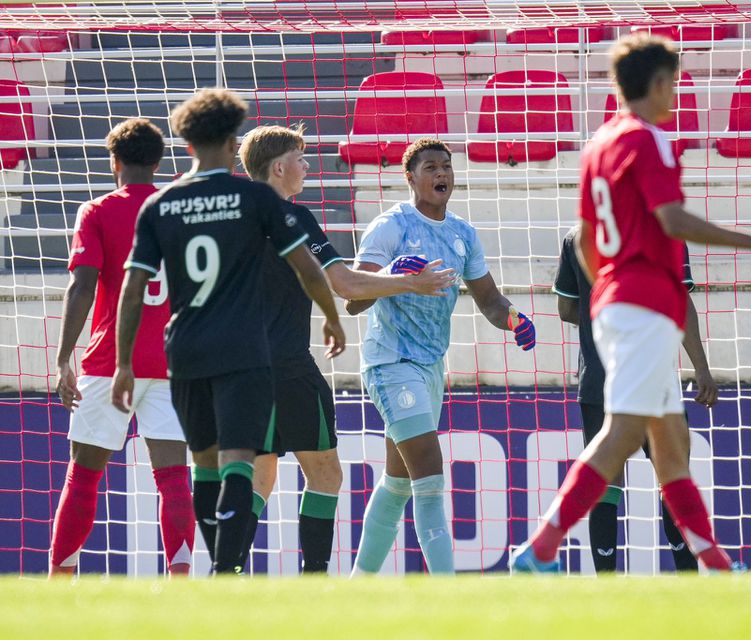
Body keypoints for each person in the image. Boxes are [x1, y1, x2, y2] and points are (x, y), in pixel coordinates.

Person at [512, 33, 751, 573]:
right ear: (661, 83)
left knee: (671, 445)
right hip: (645, 305)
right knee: (621, 434)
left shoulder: (599, 146)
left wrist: (612, 289)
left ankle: (711, 559)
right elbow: (673, 220)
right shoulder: (651, 141)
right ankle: (542, 548)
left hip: (623, 304)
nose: (678, 95)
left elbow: (585, 241)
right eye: (676, 83)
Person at [111, 89, 347, 576]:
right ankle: (225, 567)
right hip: (243, 350)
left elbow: (132, 290)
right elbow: (307, 267)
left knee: (205, 463)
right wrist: (330, 313)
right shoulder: (254, 198)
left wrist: (124, 363)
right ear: (230, 138)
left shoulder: (161, 204)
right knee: (242, 460)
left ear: (187, 144)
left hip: (186, 350)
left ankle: (224, 568)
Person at [236, 124, 455, 573]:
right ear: (279, 168)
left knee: (258, 479)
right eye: (299, 158)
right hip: (288, 366)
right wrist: (411, 281)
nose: (306, 166)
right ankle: (315, 580)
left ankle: (227, 573)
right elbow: (347, 284)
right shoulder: (292, 217)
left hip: (240, 371)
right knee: (326, 476)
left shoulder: (231, 221)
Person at [346, 137, 536, 576]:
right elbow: (355, 299)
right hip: (391, 363)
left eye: (446, 167)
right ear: (409, 177)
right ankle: (448, 591)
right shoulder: (390, 227)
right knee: (430, 476)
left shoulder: (462, 234)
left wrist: (513, 320)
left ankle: (357, 587)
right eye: (430, 167)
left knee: (397, 483)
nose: (441, 174)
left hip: (431, 368)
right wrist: (395, 276)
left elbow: (489, 300)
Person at [50, 118, 194, 577]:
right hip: (172, 362)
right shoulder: (179, 211)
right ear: (158, 163)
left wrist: (62, 359)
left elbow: (82, 286)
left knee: (85, 475)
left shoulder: (96, 210)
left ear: (114, 161)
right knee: (172, 478)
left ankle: (60, 580)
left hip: (111, 362)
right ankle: (182, 582)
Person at [555, 233, 717, 572]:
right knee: (673, 477)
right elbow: (680, 304)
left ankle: (605, 584)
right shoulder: (667, 231)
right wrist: (701, 368)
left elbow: (567, 308)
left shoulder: (578, 236)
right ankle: (689, 580)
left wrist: (600, 319)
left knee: (602, 481)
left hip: (600, 379)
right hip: (652, 379)